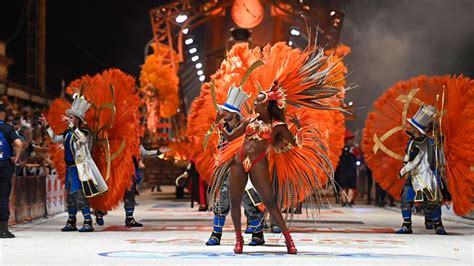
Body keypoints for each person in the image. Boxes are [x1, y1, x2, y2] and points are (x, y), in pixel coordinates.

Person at [40, 94, 108, 232]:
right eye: (69, 117)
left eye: (71, 118)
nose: (69, 119)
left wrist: (71, 126)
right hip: (70, 168)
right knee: (70, 196)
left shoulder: (83, 132)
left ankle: (88, 222)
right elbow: (54, 139)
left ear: (77, 120)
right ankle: (71, 222)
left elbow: (82, 139)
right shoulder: (67, 133)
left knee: (79, 194)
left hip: (79, 168)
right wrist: (47, 125)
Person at [206, 89, 265, 247]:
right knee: (222, 201)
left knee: (250, 200)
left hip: (244, 169)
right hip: (227, 170)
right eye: (224, 111)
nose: (224, 113)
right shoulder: (223, 129)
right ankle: (216, 234)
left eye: (227, 111)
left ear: (234, 113)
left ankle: (257, 234)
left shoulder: (246, 128)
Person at [396, 105, 447, 235]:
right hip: (415, 176)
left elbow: (435, 159)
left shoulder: (430, 142)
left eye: (413, 127)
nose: (410, 128)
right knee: (406, 198)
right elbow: (408, 156)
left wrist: (402, 171)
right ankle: (407, 225)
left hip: (429, 175)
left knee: (432, 201)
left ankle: (438, 225)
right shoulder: (413, 142)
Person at [0, 103, 22, 238]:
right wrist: (16, 158)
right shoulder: (6, 128)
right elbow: (18, 143)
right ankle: (2, 229)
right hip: (4, 165)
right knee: (2, 197)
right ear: (2, 114)